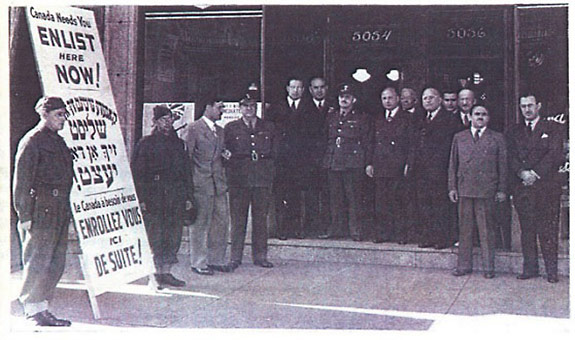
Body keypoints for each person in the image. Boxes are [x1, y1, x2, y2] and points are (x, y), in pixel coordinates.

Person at [13, 96, 73, 326]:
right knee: (38, 259)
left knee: (55, 261)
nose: (63, 119)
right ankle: (32, 308)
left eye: (64, 114)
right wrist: (25, 215)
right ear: (44, 114)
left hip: (59, 207)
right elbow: (22, 182)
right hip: (42, 208)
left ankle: (43, 307)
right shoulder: (32, 141)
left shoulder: (58, 141)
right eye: (59, 114)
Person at [132, 105, 193, 287]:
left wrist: (189, 197)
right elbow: (138, 173)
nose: (168, 123)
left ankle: (166, 272)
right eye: (164, 119)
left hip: (176, 194)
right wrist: (141, 199)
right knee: (156, 235)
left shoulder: (178, 144)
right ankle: (154, 274)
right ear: (156, 122)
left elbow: (186, 172)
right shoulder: (146, 143)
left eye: (170, 119)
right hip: (155, 194)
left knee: (173, 234)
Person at [507, 93, 564, 283]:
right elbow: (511, 156)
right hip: (523, 187)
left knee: (548, 230)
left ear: (538, 105)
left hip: (546, 187)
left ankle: (551, 271)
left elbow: (555, 154)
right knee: (527, 230)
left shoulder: (553, 128)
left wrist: (535, 173)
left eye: (530, 105)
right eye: (523, 106)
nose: (527, 109)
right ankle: (530, 268)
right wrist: (522, 173)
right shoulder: (515, 131)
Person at [448, 105, 507, 279]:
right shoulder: (459, 137)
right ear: (470, 117)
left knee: (486, 230)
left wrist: (502, 189)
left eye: (484, 114)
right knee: (464, 230)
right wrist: (452, 187)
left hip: (487, 191)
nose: (480, 117)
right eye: (477, 114)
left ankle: (489, 267)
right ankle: (463, 266)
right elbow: (453, 164)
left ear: (488, 118)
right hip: (465, 190)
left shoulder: (497, 138)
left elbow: (503, 166)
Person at [224, 96, 276, 269]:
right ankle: (235, 258)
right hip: (239, 179)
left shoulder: (267, 127)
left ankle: (260, 256)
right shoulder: (231, 128)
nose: (249, 109)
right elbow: (225, 153)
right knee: (238, 220)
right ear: (240, 108)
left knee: (260, 219)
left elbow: (275, 152)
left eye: (252, 106)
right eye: (245, 106)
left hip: (261, 177)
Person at [183, 99, 231, 275]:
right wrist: (189, 185)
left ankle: (216, 260)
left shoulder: (220, 131)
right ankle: (199, 262)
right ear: (208, 107)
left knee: (221, 222)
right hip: (200, 183)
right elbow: (186, 157)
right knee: (200, 223)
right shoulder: (193, 128)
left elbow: (219, 153)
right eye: (219, 107)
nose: (222, 111)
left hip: (218, 184)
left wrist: (225, 154)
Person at [409, 87, 460, 249]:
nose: (428, 101)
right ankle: (427, 236)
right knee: (424, 204)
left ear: (440, 100)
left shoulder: (450, 120)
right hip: (422, 170)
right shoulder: (420, 118)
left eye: (431, 97)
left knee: (440, 206)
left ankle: (441, 238)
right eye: (425, 98)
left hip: (440, 170)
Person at [321, 84, 372, 241]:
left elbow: (367, 142)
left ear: (354, 100)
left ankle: (356, 230)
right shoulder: (332, 116)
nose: (344, 99)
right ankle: (336, 229)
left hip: (352, 162)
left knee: (354, 198)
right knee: (335, 198)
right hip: (333, 161)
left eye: (347, 97)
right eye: (341, 97)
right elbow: (325, 138)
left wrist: (367, 162)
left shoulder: (361, 118)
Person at [365, 86, 412, 244]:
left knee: (398, 201)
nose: (387, 101)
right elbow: (371, 142)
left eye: (390, 98)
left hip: (398, 166)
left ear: (398, 98)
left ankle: (400, 234)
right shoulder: (377, 118)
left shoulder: (407, 118)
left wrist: (408, 163)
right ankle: (383, 233)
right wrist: (369, 163)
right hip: (380, 165)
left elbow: (412, 145)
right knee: (381, 202)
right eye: (384, 98)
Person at [268, 77, 307, 240]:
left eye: (299, 87)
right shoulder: (276, 108)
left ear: (303, 90)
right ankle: (281, 229)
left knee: (296, 196)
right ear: (287, 88)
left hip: (299, 160)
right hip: (281, 159)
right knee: (280, 196)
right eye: (293, 87)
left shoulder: (308, 109)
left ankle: (296, 229)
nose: (296, 90)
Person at [303, 76, 331, 237]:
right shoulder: (304, 108)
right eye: (316, 87)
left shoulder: (333, 107)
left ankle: (327, 227)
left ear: (326, 88)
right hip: (311, 160)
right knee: (311, 195)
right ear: (310, 90)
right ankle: (312, 227)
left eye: (322, 87)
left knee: (329, 194)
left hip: (329, 158)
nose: (319, 90)